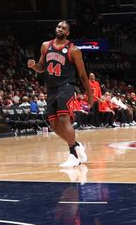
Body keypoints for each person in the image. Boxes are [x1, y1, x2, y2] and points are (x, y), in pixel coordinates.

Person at [27, 21, 94, 168]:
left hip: (66, 86)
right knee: (54, 125)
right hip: (51, 89)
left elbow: (82, 75)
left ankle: (73, 155)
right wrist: (33, 66)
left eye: (63, 28)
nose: (60, 29)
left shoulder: (73, 50)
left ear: (68, 33)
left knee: (64, 118)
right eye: (58, 27)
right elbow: (41, 67)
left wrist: (90, 95)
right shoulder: (46, 46)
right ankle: (77, 145)